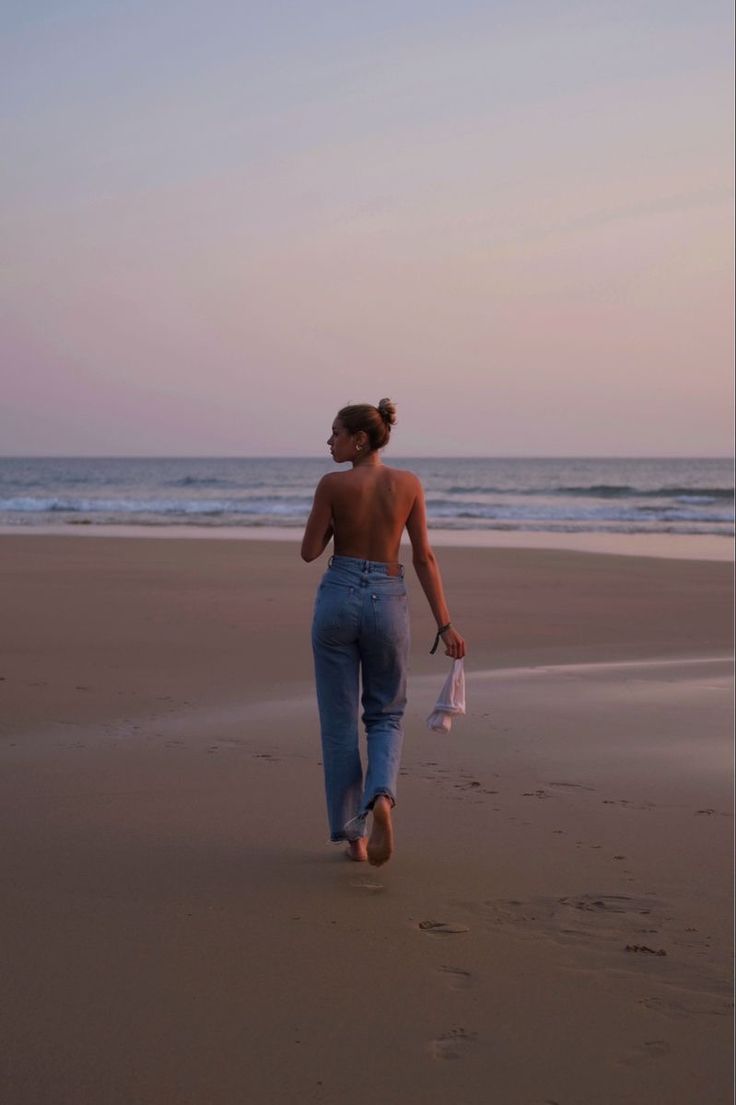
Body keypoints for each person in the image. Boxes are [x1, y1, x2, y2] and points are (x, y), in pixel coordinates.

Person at [301, 398, 466, 866]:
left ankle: (353, 839)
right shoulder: (409, 484)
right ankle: (382, 800)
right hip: (388, 599)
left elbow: (309, 551)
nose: (328, 441)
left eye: (335, 433)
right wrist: (446, 624)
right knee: (386, 715)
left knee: (338, 725)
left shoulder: (333, 484)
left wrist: (337, 520)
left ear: (359, 439)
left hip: (338, 597)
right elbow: (423, 557)